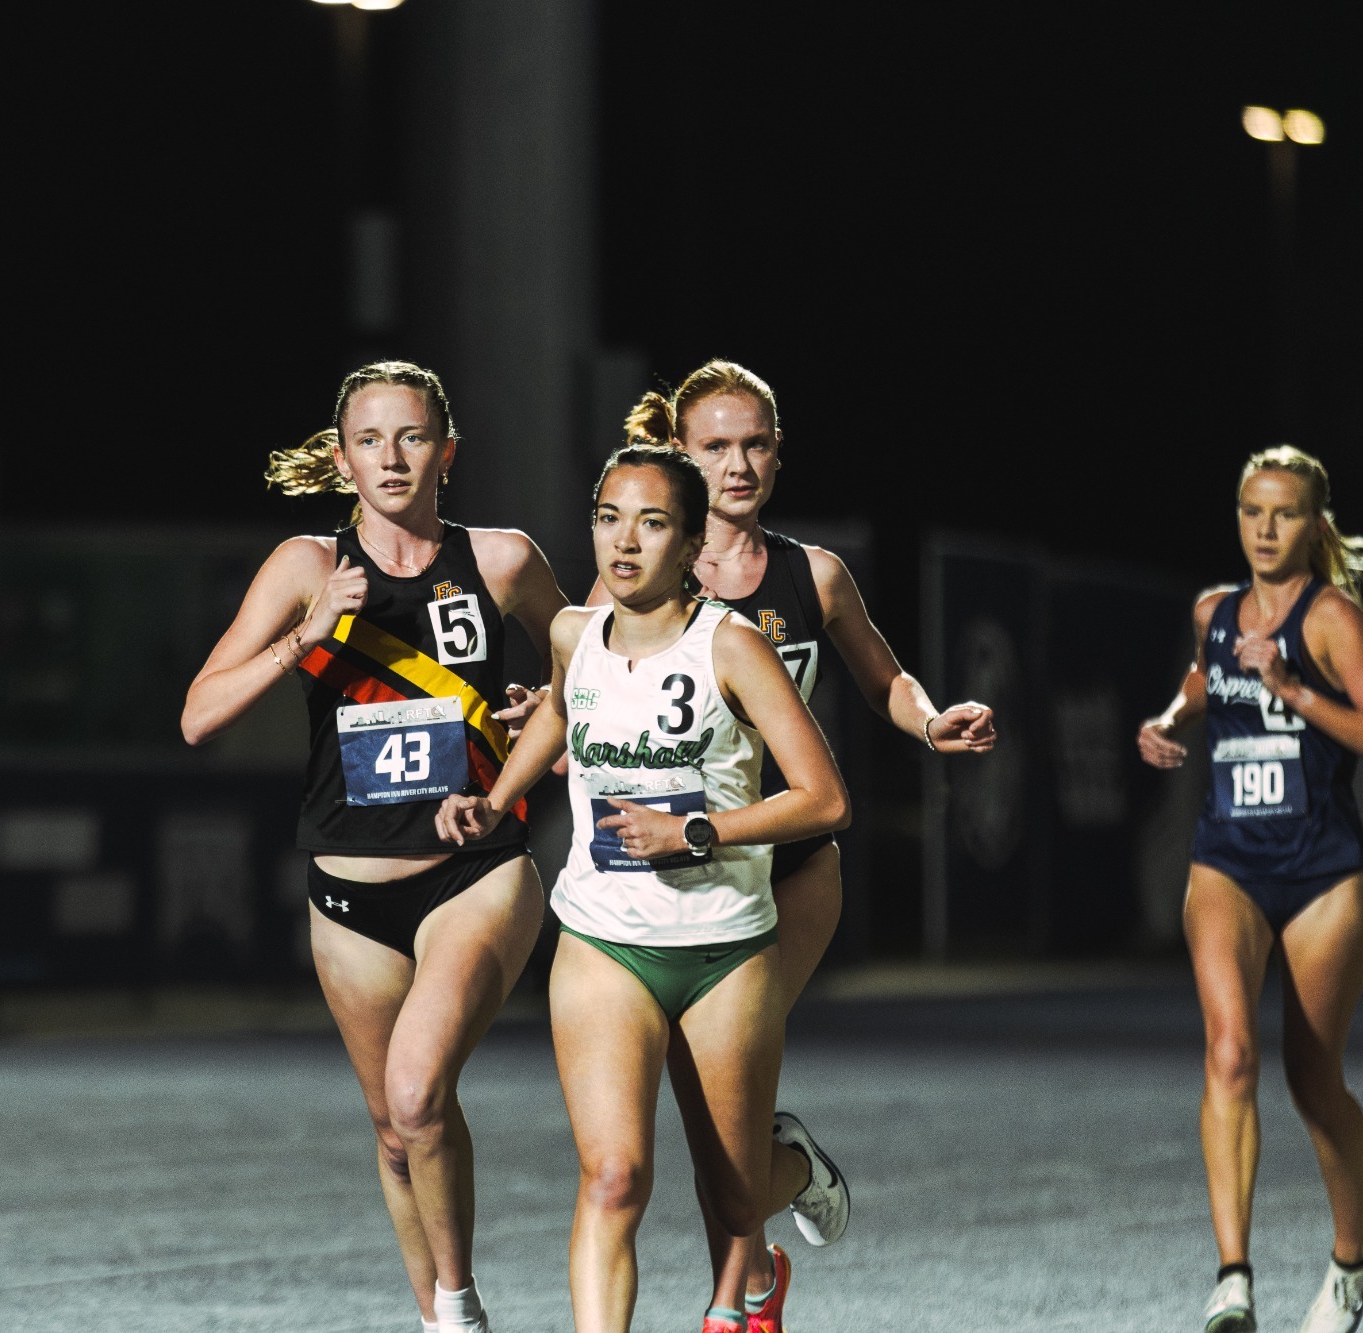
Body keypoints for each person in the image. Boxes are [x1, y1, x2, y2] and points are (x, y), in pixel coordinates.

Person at [603, 360, 996, 1329]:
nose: (736, 465)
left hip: (791, 869)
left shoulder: (812, 575)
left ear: (778, 455)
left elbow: (883, 677)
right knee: (711, 1118)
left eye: (753, 445)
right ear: (680, 455)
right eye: (714, 447)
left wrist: (927, 718)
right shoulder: (641, 570)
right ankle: (787, 1193)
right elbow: (592, 685)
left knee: (724, 1096)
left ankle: (731, 1305)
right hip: (684, 873)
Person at [182, 361, 568, 1333]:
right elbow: (197, 715)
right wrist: (306, 635)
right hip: (348, 896)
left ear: (447, 451)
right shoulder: (305, 567)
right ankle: (438, 1316)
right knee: (396, 1132)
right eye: (369, 440)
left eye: (411, 437)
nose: (391, 458)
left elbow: (589, 673)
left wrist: (545, 711)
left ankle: (460, 1307)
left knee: (417, 1092)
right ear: (342, 459)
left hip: (474, 874)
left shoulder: (502, 560)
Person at [438, 444, 850, 1333]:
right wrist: (496, 798)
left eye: (652, 522)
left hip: (724, 949)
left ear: (692, 543)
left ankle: (798, 1171)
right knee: (614, 1176)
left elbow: (826, 797)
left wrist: (693, 831)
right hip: (603, 941)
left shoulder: (732, 646)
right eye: (608, 518)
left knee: (734, 1196)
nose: (624, 541)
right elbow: (561, 708)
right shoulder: (571, 633)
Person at [1137, 445, 1363, 1333]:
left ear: (1314, 524)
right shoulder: (1215, 610)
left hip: (1321, 873)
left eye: (1285, 513)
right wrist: (1171, 715)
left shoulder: (1332, 617)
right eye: (1252, 511)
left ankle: (1351, 1265)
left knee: (1314, 1079)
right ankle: (1233, 1277)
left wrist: (1292, 690)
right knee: (1230, 1052)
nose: (1265, 529)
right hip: (1227, 859)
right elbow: (1205, 675)